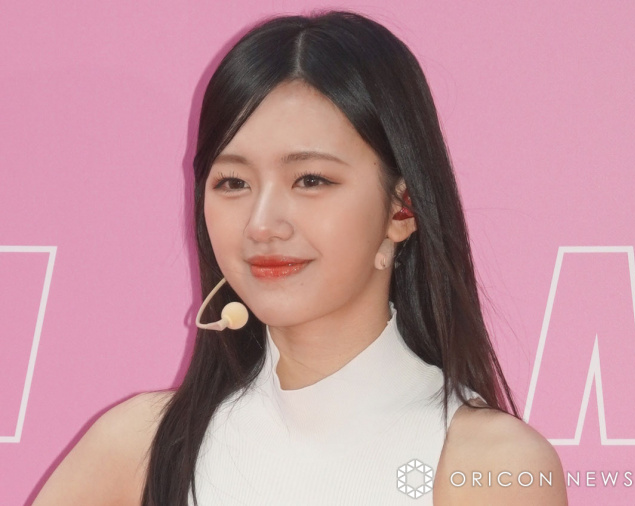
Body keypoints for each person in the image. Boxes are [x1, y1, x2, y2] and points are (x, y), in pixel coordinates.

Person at [32, 10, 567, 506]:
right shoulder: (139, 447)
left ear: (402, 209)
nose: (262, 224)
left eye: (310, 180)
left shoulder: (491, 465)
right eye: (233, 182)